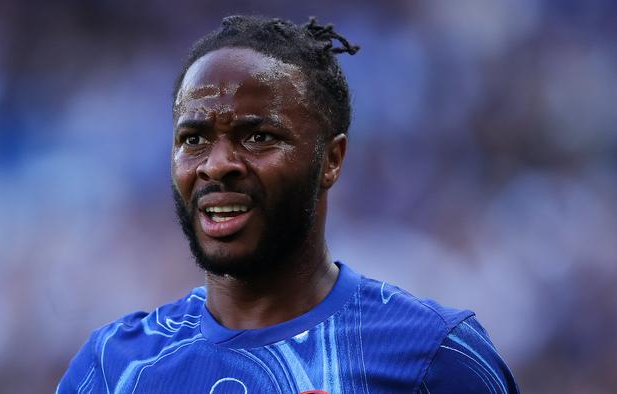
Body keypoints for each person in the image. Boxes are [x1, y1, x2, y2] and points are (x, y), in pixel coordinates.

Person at [58, 15, 519, 393]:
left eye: (259, 137)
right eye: (193, 139)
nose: (216, 165)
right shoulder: (114, 368)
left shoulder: (432, 356)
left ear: (331, 160)